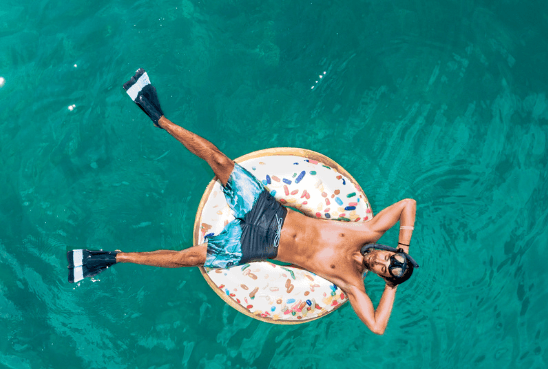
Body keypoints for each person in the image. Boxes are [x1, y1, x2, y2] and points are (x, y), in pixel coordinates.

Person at [68, 69, 419, 335]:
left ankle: (112, 257)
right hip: (269, 211)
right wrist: (404, 245)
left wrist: (391, 288)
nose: (383, 262)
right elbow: (408, 203)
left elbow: (376, 326)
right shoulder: (366, 231)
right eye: (390, 258)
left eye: (386, 269)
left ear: (380, 275)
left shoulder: (352, 282)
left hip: (257, 244)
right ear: (389, 250)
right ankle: (158, 116)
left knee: (189, 258)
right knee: (220, 160)